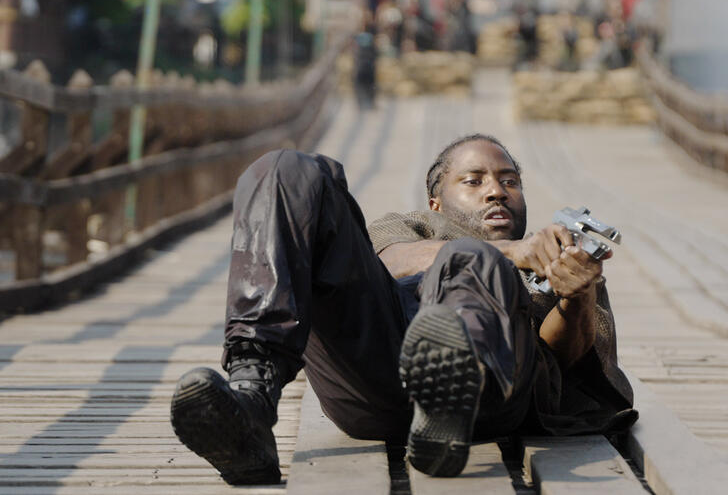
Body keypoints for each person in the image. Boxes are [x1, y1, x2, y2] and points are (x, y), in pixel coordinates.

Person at [169, 134, 637, 484]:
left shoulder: (564, 254)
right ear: (436, 202)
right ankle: (252, 398)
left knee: (473, 260)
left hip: (488, 399)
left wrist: (576, 295)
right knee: (284, 168)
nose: (496, 191)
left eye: (509, 181)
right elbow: (390, 263)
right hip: (373, 378)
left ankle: (447, 407)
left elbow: (560, 366)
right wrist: (507, 252)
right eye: (473, 181)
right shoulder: (408, 226)